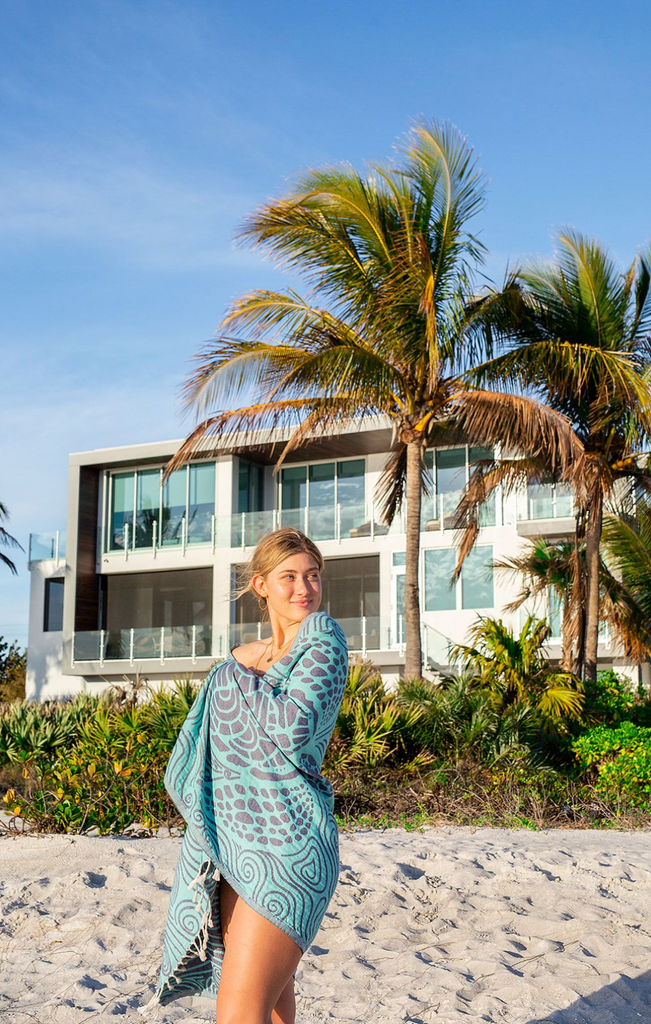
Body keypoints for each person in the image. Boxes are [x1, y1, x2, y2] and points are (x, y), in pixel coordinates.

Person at [141, 527, 348, 1024]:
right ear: (261, 586)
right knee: (273, 1005)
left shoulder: (322, 639)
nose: (305, 588)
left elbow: (293, 727)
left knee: (237, 1013)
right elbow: (193, 752)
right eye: (290, 577)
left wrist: (233, 673)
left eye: (313, 576)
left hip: (290, 847)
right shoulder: (239, 659)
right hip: (236, 848)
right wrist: (232, 668)